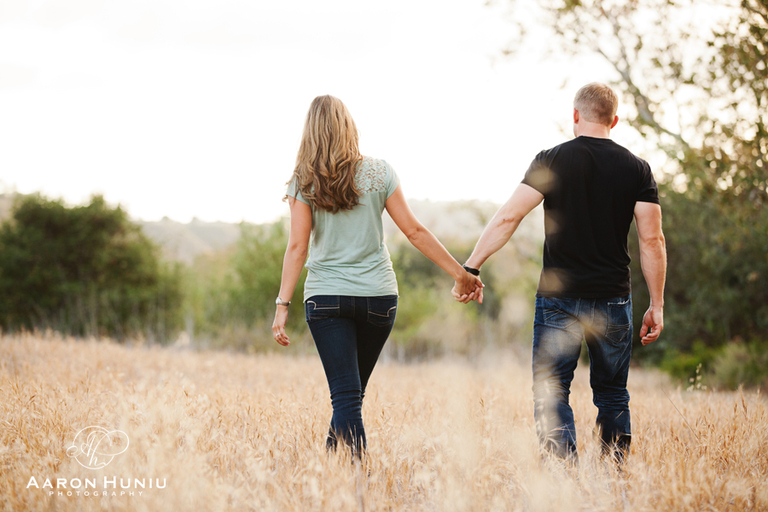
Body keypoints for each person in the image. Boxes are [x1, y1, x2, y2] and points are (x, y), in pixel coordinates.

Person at [458, 83, 667, 463]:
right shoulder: (637, 169)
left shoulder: (551, 160)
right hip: (614, 298)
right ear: (614, 120)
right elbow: (652, 241)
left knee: (552, 390)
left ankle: (561, 476)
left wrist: (472, 265)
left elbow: (509, 216)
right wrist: (657, 303)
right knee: (613, 394)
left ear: (575, 116)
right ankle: (612, 473)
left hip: (558, 300)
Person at [272, 95, 483, 457]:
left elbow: (297, 247)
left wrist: (282, 304)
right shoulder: (380, 172)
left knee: (346, 396)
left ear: (310, 133)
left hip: (326, 298)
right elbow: (415, 231)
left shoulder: (302, 181)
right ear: (348, 126)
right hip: (378, 298)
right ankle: (333, 471)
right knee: (349, 396)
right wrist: (461, 273)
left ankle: (354, 479)